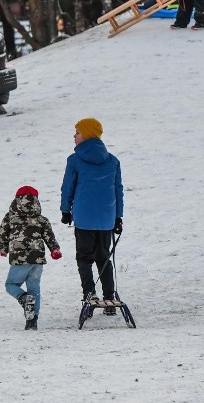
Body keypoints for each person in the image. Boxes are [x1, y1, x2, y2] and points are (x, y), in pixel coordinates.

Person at [60, 118, 124, 316]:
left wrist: (65, 210)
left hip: (84, 218)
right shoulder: (113, 160)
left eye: (77, 132)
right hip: (106, 219)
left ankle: (89, 294)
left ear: (86, 134)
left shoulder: (75, 160)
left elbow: (67, 187)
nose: (74, 136)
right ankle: (110, 298)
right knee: (104, 257)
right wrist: (118, 217)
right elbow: (118, 191)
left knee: (84, 258)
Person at [0, 185, 62, 330]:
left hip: (20, 259)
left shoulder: (10, 217)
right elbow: (49, 236)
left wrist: (3, 248)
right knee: (34, 289)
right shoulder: (41, 219)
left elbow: (2, 233)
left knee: (11, 285)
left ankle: (23, 298)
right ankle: (32, 322)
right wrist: (55, 249)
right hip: (37, 259)